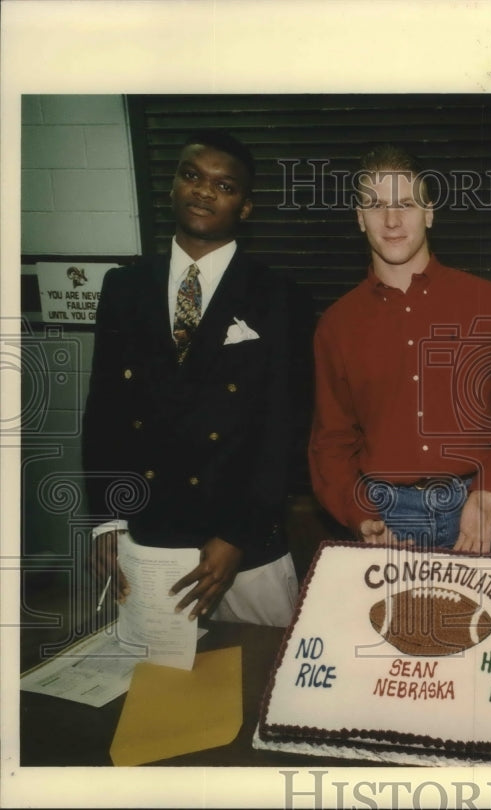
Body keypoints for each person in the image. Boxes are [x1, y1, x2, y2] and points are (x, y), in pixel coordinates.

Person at [83, 130, 310, 626]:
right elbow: (104, 414)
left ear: (245, 207)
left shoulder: (279, 295)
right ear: (172, 187)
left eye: (224, 186)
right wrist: (105, 520)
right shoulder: (124, 287)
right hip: (150, 532)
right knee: (159, 670)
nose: (204, 191)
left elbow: (285, 429)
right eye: (192, 176)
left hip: (245, 542)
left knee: (267, 667)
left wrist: (238, 533)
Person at [309, 145, 491, 553]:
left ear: (429, 213)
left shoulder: (484, 302)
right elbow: (331, 442)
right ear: (360, 218)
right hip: (385, 519)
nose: (392, 220)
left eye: (406, 204)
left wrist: (490, 488)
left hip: (474, 511)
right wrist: (359, 514)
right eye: (376, 205)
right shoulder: (336, 324)